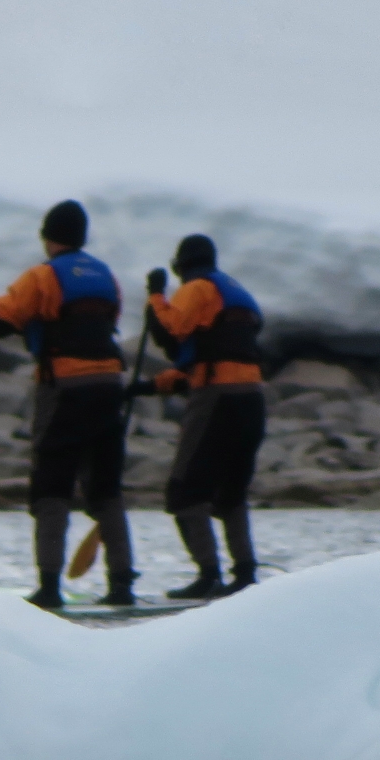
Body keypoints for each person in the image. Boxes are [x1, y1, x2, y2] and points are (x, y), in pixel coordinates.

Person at [0, 199, 136, 610]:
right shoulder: (106, 277)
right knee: (106, 487)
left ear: (47, 237)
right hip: (110, 386)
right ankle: (123, 582)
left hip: (67, 390)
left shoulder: (42, 276)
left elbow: (2, 322)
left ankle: (50, 586)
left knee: (52, 486)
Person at [130, 234, 266, 599]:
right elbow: (209, 356)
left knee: (185, 492)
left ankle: (208, 576)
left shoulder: (196, 288)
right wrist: (149, 387)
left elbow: (171, 331)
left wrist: (156, 295)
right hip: (252, 400)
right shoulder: (237, 294)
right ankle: (245, 575)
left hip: (218, 401)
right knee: (231, 493)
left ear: (182, 265)